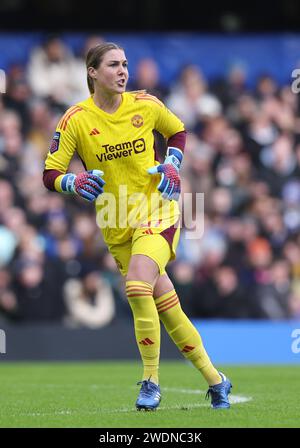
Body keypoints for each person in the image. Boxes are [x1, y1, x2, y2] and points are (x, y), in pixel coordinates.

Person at [43, 42, 232, 410]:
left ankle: (150, 381)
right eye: (113, 64)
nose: (123, 71)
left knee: (136, 285)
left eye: (125, 64)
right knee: (166, 305)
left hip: (158, 211)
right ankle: (217, 379)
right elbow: (50, 173)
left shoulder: (145, 104)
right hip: (116, 223)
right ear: (92, 72)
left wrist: (173, 164)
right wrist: (73, 182)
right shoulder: (75, 120)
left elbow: (177, 132)